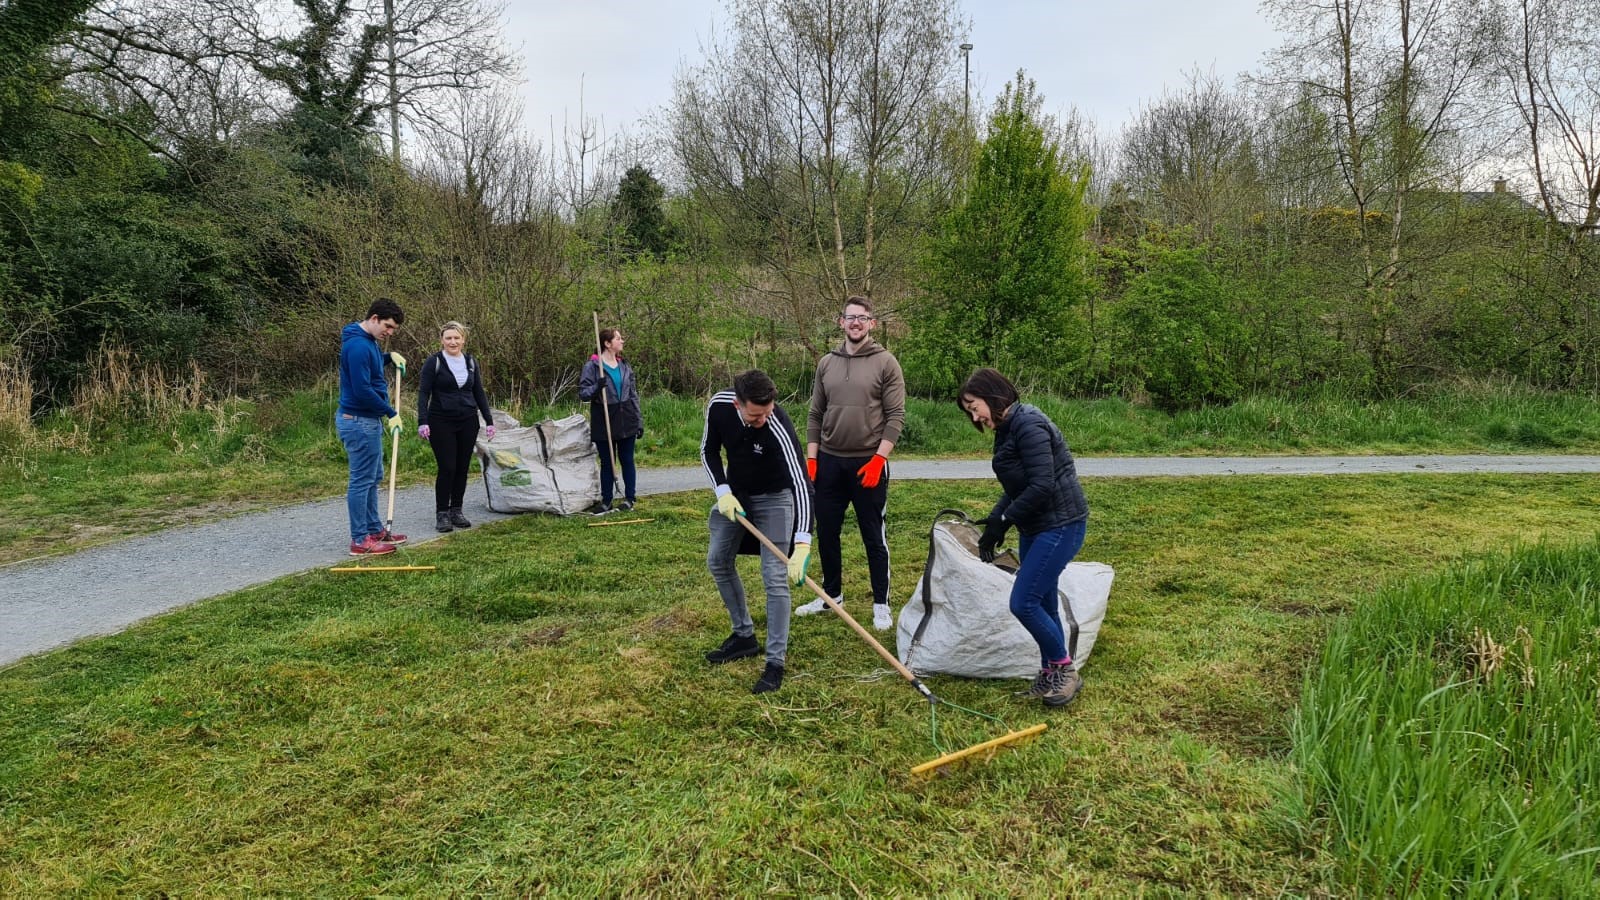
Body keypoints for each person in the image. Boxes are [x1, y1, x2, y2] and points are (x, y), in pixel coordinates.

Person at [958, 367, 1090, 708]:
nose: (975, 416)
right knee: (1043, 600)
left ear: (992, 395)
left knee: (1024, 602)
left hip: (1061, 525)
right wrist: (994, 521)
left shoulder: (1029, 423)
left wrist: (1005, 520)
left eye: (974, 407)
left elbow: (1042, 485)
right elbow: (1015, 487)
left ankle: (1065, 670)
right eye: (970, 411)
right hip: (1036, 526)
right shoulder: (1006, 428)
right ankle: (1050, 672)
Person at [700, 369, 814, 694]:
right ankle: (744, 636)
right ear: (738, 404)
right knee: (718, 560)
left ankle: (775, 662)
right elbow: (708, 451)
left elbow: (802, 484)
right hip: (736, 495)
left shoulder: (777, 424)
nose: (764, 419)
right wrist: (722, 491)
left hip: (776, 498)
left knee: (774, 577)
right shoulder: (719, 406)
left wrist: (803, 542)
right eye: (755, 414)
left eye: (767, 412)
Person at [800, 296, 906, 632]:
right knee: (827, 532)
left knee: (873, 536)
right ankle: (832, 596)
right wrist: (812, 458)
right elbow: (816, 413)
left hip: (867, 464)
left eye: (863, 317)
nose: (856, 323)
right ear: (841, 322)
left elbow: (896, 416)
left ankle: (880, 603)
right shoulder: (826, 363)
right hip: (829, 463)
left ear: (872, 323)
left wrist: (879, 459)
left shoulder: (886, 362)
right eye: (850, 317)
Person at [337, 297, 407, 556]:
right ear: (374, 318)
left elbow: (371, 366)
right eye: (387, 327)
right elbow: (362, 389)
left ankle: (374, 529)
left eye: (393, 330)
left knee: (373, 476)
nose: (389, 333)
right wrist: (390, 412)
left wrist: (388, 358)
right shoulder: (357, 346)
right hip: (358, 421)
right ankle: (360, 540)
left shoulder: (369, 343)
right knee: (361, 480)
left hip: (367, 420)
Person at [416, 321, 496, 533]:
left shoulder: (470, 362)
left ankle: (456, 510)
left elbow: (478, 391)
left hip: (468, 420)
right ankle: (442, 513)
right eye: (448, 338)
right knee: (447, 467)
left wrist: (489, 420)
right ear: (442, 340)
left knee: (462, 467)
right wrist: (422, 421)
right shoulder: (434, 362)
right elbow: (424, 393)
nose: (453, 341)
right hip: (440, 420)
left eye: (456, 338)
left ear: (463, 340)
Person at [578, 327, 644, 514]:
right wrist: (597, 388)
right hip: (604, 417)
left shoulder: (624, 366)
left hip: (626, 416)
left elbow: (633, 394)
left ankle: (630, 498)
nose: (622, 341)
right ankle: (607, 500)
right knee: (608, 462)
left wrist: (638, 420)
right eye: (618, 338)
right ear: (607, 344)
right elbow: (583, 394)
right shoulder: (592, 367)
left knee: (627, 460)